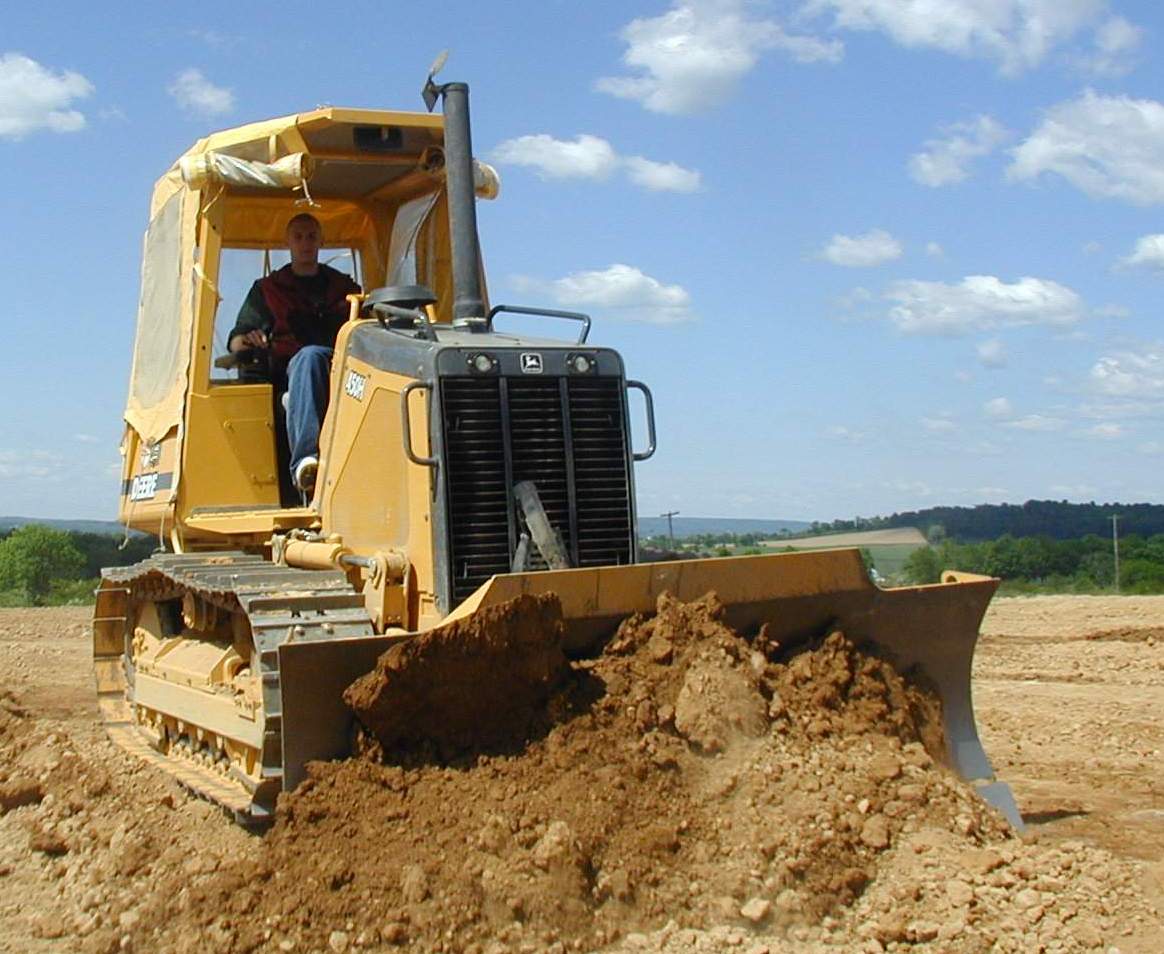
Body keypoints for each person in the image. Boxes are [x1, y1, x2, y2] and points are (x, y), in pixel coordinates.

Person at [228, 213, 360, 491]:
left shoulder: (345, 288)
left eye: (311, 236)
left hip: (345, 374)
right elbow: (236, 342)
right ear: (287, 242)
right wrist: (249, 339)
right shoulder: (268, 289)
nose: (305, 243)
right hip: (290, 373)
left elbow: (366, 325)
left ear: (321, 241)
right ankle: (307, 462)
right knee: (309, 357)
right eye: (298, 237)